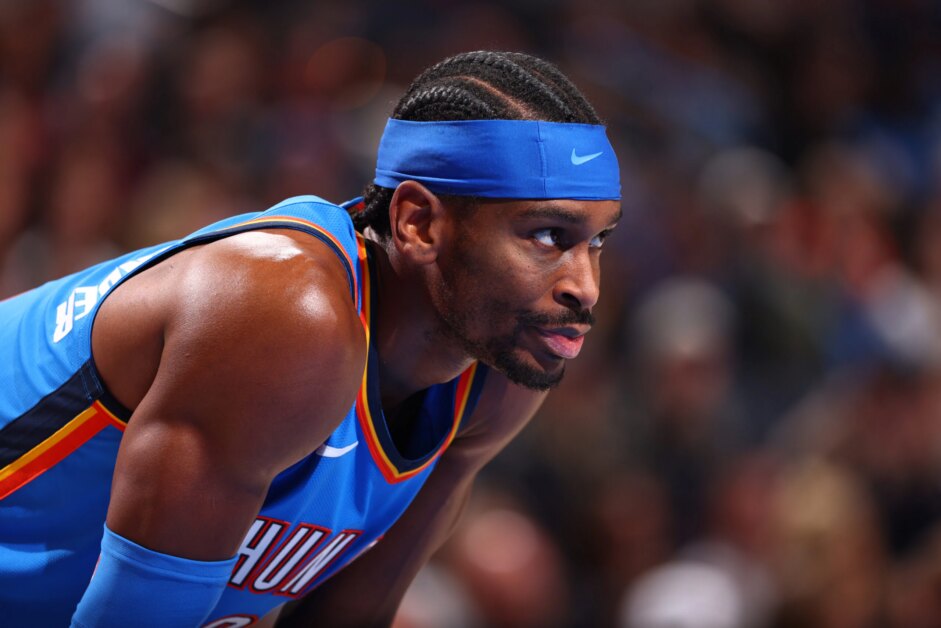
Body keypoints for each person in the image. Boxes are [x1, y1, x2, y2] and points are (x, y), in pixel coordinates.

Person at [0, 50, 621, 627]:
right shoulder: (285, 316)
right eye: (548, 237)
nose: (586, 287)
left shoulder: (496, 375)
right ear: (419, 223)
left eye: (597, 241)